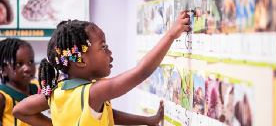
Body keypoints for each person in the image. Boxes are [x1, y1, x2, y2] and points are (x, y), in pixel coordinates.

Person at [12, 10, 191, 126]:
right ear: (80, 61)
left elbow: (19, 110)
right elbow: (141, 72)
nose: (110, 52)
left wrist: (147, 120)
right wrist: (171, 34)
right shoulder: (93, 92)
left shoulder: (56, 92)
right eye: (103, 47)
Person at [0, 38, 38, 126]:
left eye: (30, 62)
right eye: (19, 64)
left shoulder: (35, 88)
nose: (27, 68)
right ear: (4, 70)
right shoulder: (3, 95)